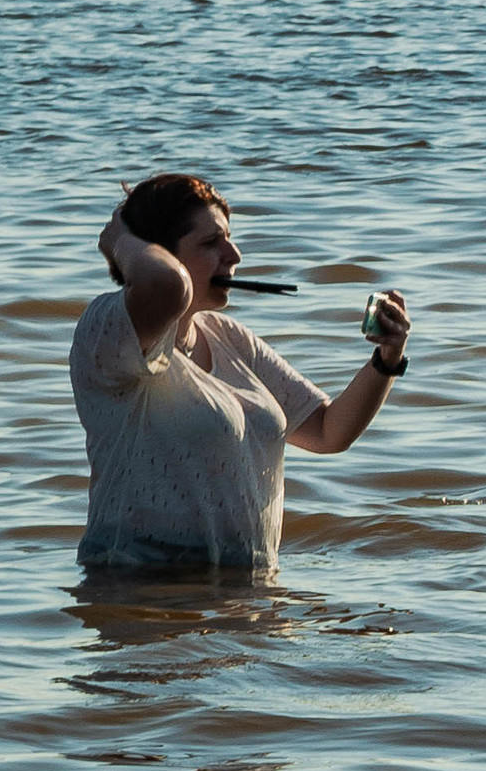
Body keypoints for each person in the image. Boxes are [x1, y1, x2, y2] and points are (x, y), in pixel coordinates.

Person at [70, 173, 412, 575]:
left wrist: (387, 357)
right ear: (158, 252)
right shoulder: (110, 331)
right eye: (211, 243)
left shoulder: (228, 337)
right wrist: (118, 239)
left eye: (229, 239)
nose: (234, 255)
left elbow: (327, 431)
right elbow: (164, 285)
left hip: (245, 602)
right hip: (143, 599)